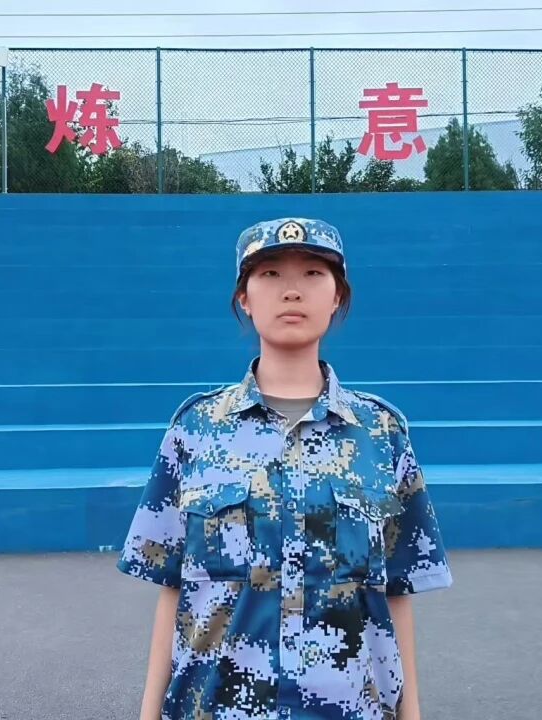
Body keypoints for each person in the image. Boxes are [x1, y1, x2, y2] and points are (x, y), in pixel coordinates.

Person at [117, 217, 453, 720]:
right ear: (244, 298)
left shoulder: (380, 433)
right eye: (270, 274)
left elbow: (397, 592)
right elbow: (173, 587)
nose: (292, 290)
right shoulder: (196, 429)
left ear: (337, 297)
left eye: (313, 273)